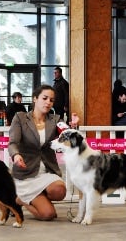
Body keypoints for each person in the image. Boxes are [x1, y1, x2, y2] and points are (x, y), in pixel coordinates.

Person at [8, 84, 79, 220]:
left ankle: (28, 199)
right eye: (45, 98)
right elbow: (13, 143)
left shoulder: (56, 119)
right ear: (35, 99)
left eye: (51, 100)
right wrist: (16, 155)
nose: (48, 102)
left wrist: (74, 127)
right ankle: (19, 200)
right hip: (26, 174)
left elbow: (68, 138)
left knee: (59, 191)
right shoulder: (20, 118)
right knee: (48, 215)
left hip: (47, 172)